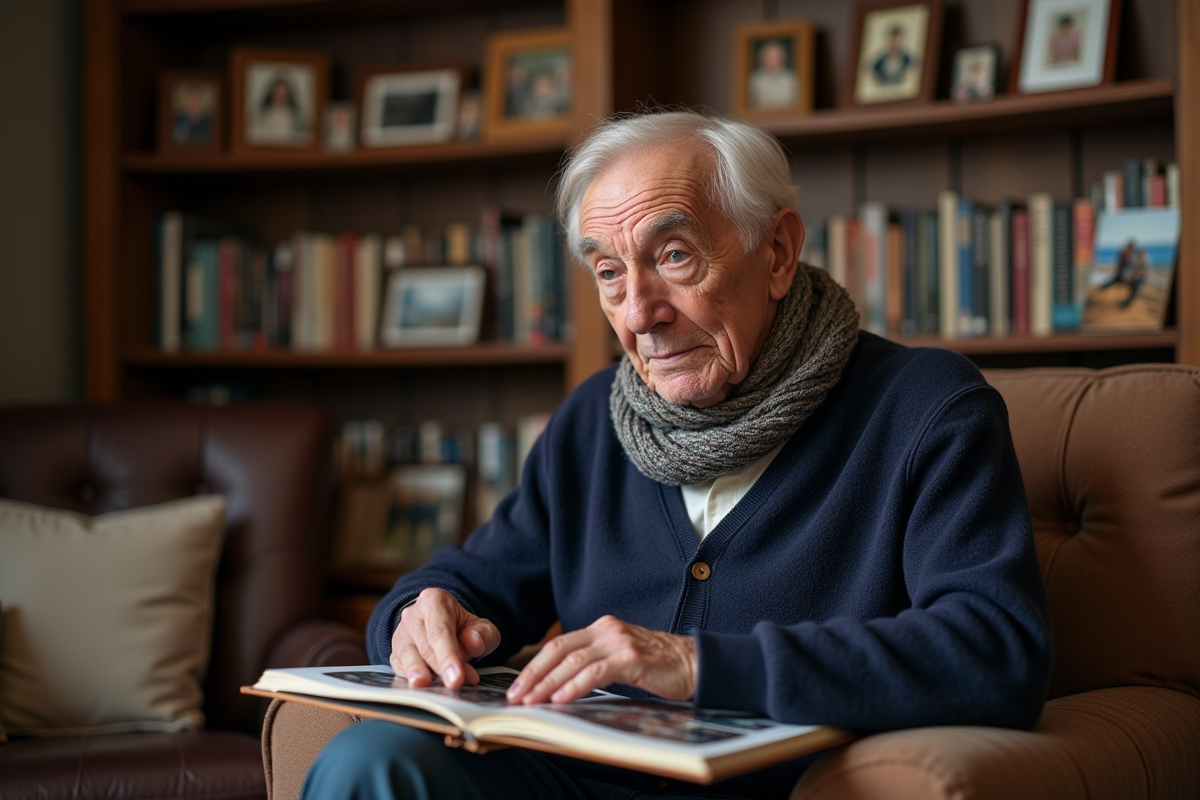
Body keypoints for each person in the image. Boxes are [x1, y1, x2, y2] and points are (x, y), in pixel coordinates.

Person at [302, 110, 1052, 799]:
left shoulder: (925, 407)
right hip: (579, 781)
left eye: (674, 256)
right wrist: (420, 616)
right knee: (371, 760)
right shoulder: (592, 422)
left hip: (777, 786)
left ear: (778, 252)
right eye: (609, 273)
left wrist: (695, 663)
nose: (639, 313)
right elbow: (473, 579)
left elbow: (994, 649)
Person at [748, 39, 798, 109]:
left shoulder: (791, 78)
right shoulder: (754, 78)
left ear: (782, 58)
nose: (772, 60)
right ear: (762, 58)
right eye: (769, 57)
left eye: (775, 57)